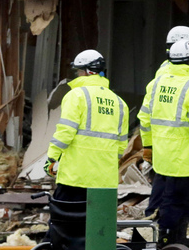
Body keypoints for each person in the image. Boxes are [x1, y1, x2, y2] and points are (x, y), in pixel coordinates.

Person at [138, 38, 189, 246]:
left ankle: (172, 241)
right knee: (177, 205)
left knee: (166, 200)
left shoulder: (155, 84)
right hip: (184, 160)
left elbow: (144, 119)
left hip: (162, 157)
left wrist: (148, 146)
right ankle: (169, 244)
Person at [44, 50, 129, 202]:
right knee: (97, 224)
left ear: (87, 72)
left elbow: (65, 132)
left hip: (75, 177)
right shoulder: (119, 103)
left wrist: (52, 158)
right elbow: (122, 145)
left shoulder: (76, 96)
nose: (77, 74)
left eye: (78, 71)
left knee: (66, 221)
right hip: (104, 180)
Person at [144, 26, 189, 216]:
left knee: (163, 183)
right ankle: (179, 220)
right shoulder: (182, 78)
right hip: (178, 142)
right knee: (174, 189)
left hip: (164, 140)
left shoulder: (162, 73)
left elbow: (146, 114)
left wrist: (148, 144)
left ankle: (157, 216)